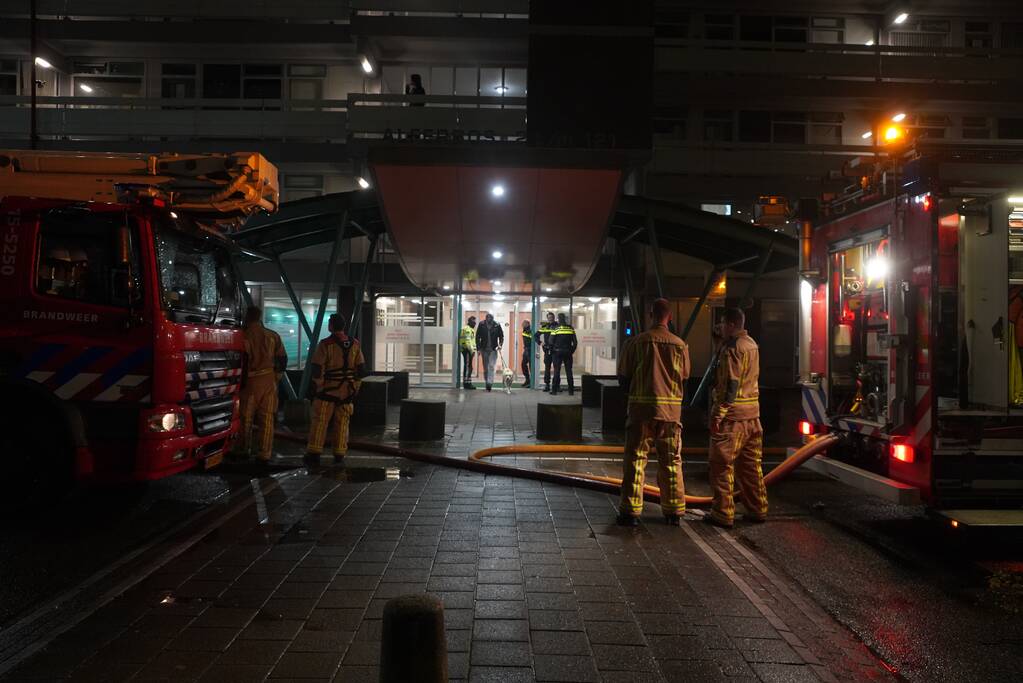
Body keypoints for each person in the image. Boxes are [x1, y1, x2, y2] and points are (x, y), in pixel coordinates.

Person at [616, 298, 690, 526]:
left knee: (636, 461)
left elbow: (624, 376)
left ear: (650, 314)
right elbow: (685, 376)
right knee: (671, 462)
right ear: (670, 317)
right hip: (670, 414)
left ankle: (631, 512)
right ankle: (674, 512)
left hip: (641, 412)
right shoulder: (680, 345)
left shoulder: (636, 343)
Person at [707, 307, 766, 529]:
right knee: (751, 467)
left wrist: (717, 415)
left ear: (731, 324)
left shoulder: (732, 349)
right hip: (753, 417)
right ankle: (757, 508)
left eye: (723, 323)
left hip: (732, 419)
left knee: (721, 466)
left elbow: (729, 384)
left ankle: (722, 513)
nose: (720, 327)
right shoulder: (751, 344)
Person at [306, 313, 366, 463]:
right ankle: (339, 454)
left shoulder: (325, 345)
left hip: (328, 391)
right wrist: (355, 388)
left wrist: (318, 388)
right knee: (343, 424)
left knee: (320, 422)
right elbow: (361, 370)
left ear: (331, 326)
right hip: (347, 392)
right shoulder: (355, 344)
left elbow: (317, 369)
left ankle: (314, 453)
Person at [239, 306, 287, 465]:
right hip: (269, 381)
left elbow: (241, 360)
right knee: (267, 418)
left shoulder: (243, 335)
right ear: (260, 317)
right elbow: (282, 359)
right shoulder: (272, 336)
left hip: (249, 382)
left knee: (245, 417)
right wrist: (276, 377)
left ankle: (243, 450)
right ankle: (264, 453)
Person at [475, 312, 504, 392]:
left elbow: (501, 336)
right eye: (487, 318)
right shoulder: (481, 324)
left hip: (493, 349)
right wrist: (478, 349)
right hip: (484, 349)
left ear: (493, 319)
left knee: (491, 366)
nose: (489, 319)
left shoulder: (497, 325)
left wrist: (500, 345)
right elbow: (477, 337)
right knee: (485, 368)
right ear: (486, 318)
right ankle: (487, 381)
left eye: (490, 318)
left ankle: (489, 383)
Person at [550, 312, 577, 395]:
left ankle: (554, 391)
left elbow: (551, 341)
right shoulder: (570, 328)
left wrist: (552, 350)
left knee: (557, 371)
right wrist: (571, 351)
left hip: (557, 353)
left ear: (558, 319)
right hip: (568, 352)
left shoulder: (556, 328)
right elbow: (575, 342)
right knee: (569, 371)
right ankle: (571, 391)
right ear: (565, 319)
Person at [539, 312, 556, 392]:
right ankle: (547, 385)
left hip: (556, 351)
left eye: (551, 317)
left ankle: (556, 386)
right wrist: (540, 342)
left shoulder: (557, 326)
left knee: (557, 369)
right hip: (547, 350)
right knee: (547, 368)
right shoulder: (545, 327)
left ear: (554, 317)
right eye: (549, 317)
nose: (550, 319)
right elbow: (536, 335)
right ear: (547, 318)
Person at [460, 315, 477, 390]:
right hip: (467, 350)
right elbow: (467, 341)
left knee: (469, 367)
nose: (475, 324)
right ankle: (466, 384)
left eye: (475, 322)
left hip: (467, 350)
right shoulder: (467, 329)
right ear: (469, 322)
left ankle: (468, 382)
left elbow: (471, 341)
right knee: (467, 367)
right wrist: (472, 350)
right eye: (473, 322)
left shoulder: (469, 329)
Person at [520, 320, 533, 388]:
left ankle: (532, 382)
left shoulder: (530, 330)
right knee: (523, 364)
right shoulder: (524, 330)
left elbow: (532, 340)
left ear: (528, 324)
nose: (522, 324)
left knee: (531, 366)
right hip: (526, 349)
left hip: (530, 350)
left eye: (524, 323)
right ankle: (527, 380)